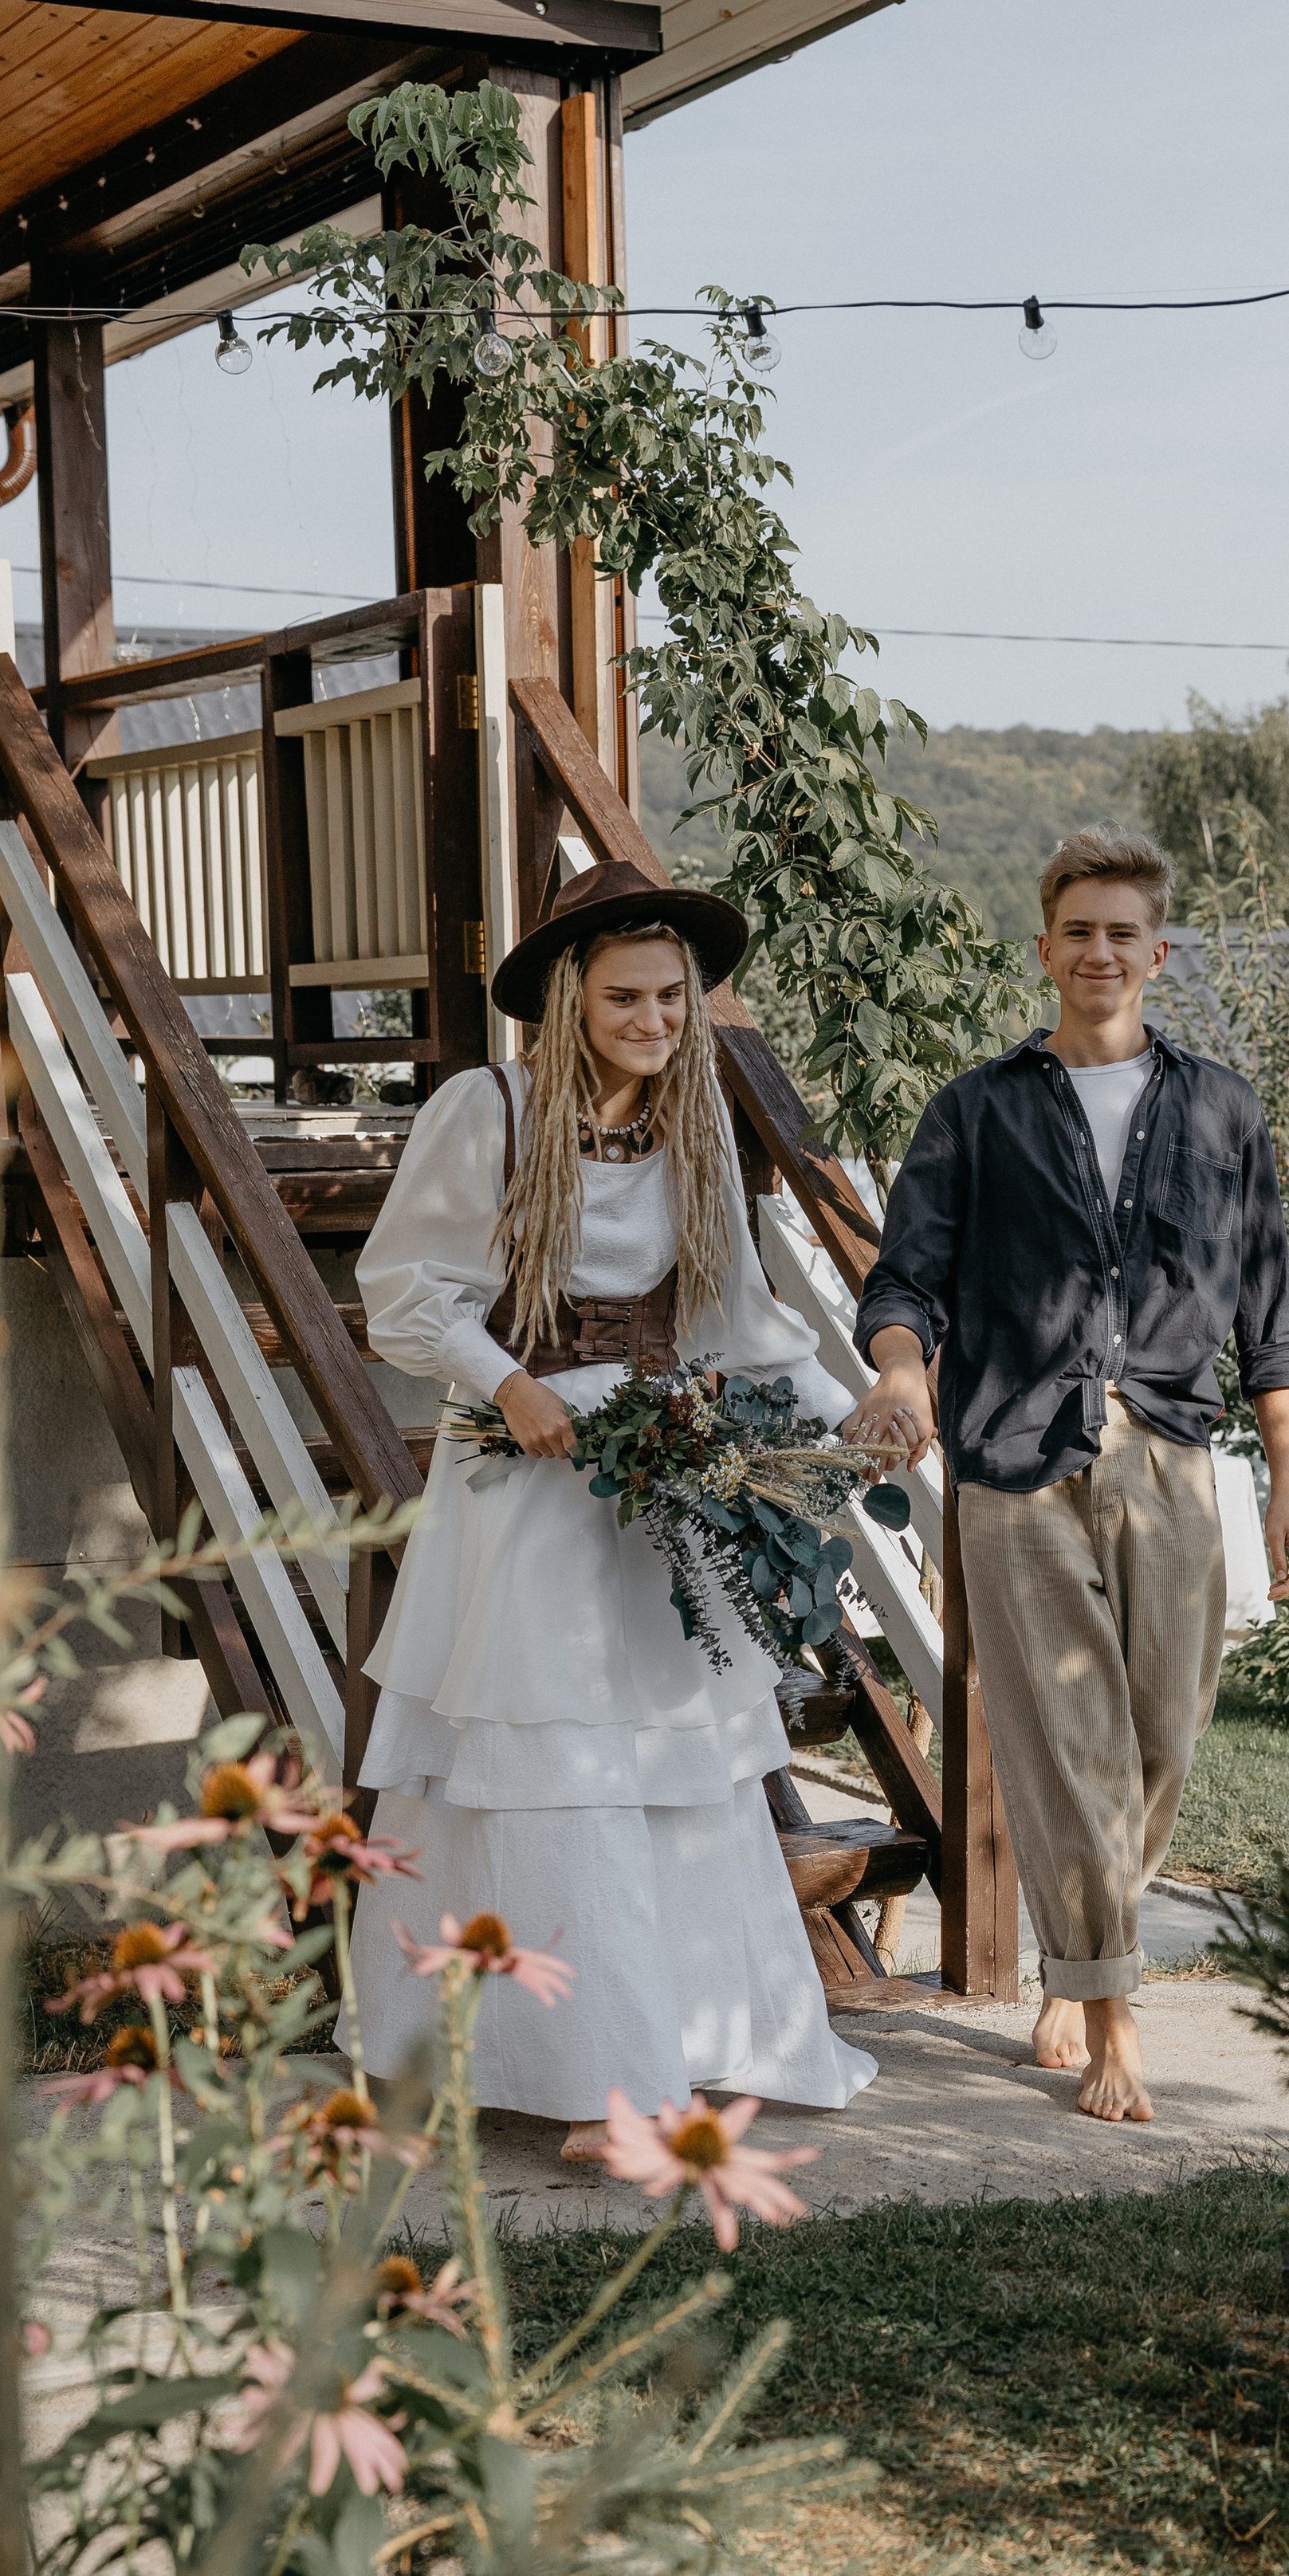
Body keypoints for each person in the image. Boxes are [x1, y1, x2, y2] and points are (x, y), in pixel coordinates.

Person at [348, 858, 887, 2158]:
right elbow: (406, 1286)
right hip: (528, 1482)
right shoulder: (489, 1111)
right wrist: (509, 1381)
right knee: (549, 1759)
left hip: (657, 1479)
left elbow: (740, 1324)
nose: (653, 1020)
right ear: (570, 998)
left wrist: (852, 1414)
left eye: (671, 998)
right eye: (628, 997)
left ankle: (685, 2044)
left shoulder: (691, 1137)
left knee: (672, 1763)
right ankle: (599, 2086)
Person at [845, 827, 1289, 2124]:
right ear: (1045, 948)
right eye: (1078, 930)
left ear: (1157, 952)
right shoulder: (976, 1108)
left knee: (1163, 1728)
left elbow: (1270, 1302)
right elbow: (906, 1277)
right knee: (1067, 1741)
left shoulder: (1224, 1110)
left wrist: (1285, 1477)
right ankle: (1110, 2013)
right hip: (1011, 1457)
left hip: (1169, 1450)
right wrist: (899, 1369)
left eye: (1124, 932)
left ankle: (1076, 1957)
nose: (1099, 951)